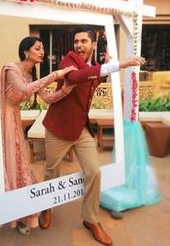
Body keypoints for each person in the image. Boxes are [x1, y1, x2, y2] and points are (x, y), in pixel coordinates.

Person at [0, 36, 76, 243]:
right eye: (38, 48)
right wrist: (56, 74)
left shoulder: (31, 75)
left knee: (17, 166)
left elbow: (48, 98)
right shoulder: (11, 69)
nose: (42, 52)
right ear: (25, 51)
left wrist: (67, 88)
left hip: (13, 120)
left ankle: (19, 214)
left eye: (42, 48)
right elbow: (24, 90)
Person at [39, 26, 146, 246]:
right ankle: (46, 207)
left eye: (84, 41)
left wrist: (102, 67)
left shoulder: (92, 66)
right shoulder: (68, 60)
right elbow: (77, 77)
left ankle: (91, 219)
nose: (78, 45)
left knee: (94, 172)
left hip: (81, 129)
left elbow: (92, 82)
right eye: (76, 41)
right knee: (52, 172)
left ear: (93, 44)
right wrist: (118, 64)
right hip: (58, 128)